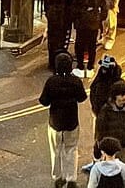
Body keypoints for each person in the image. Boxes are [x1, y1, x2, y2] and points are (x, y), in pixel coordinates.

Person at [39, 52, 88, 188]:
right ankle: (71, 179)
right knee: (71, 150)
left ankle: (58, 178)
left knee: (55, 151)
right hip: (71, 122)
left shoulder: (51, 82)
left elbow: (44, 101)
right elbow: (82, 98)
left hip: (55, 122)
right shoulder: (75, 81)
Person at [82, 55, 125, 172]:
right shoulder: (114, 81)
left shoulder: (108, 82)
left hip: (106, 118)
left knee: (100, 139)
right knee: (100, 140)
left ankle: (101, 164)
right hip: (102, 116)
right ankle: (99, 163)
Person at [93, 81, 125, 167]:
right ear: (115, 96)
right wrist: (101, 144)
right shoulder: (106, 110)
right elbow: (100, 129)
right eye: (122, 95)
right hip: (110, 149)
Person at [72, 0, 108, 78]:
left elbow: (74, 10)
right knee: (92, 46)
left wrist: (76, 20)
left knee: (79, 45)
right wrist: (99, 19)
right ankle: (90, 68)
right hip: (94, 25)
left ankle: (80, 67)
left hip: (82, 24)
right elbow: (104, 10)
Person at [44, 0, 73, 71]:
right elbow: (70, 9)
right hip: (64, 23)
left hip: (52, 22)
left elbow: (46, 7)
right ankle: (60, 64)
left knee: (52, 43)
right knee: (62, 44)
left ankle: (51, 63)